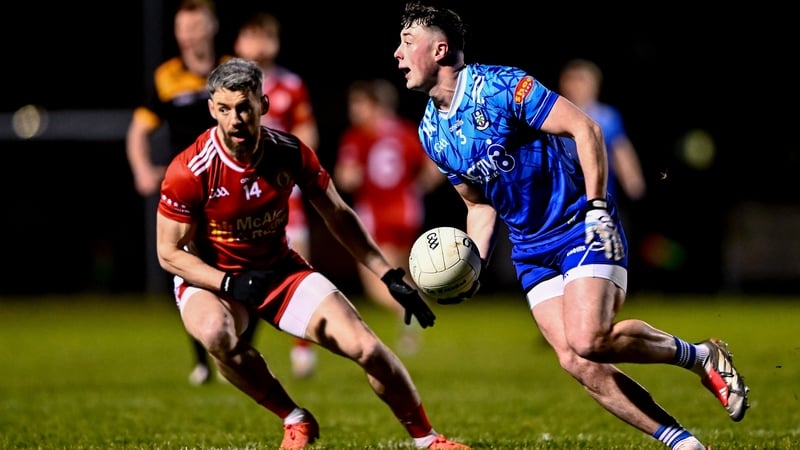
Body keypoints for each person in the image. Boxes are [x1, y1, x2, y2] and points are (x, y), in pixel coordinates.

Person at [393, 3, 749, 450]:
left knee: (590, 338)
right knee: (575, 360)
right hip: (529, 247)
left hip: (580, 222)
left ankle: (701, 356)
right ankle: (684, 444)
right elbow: (479, 206)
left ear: (440, 49)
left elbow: (586, 130)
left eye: (407, 43)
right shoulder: (431, 132)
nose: (397, 55)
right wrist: (475, 264)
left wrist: (598, 206)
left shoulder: (501, 86)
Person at [155, 57, 470, 450]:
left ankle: (428, 440)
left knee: (367, 347)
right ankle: (294, 417)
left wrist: (388, 276)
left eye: (244, 107)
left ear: (263, 105)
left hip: (278, 270)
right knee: (215, 333)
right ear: (211, 109)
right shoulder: (190, 169)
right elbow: (168, 252)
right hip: (214, 277)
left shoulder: (289, 153)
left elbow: (338, 214)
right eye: (224, 109)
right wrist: (228, 282)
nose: (235, 119)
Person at [126, 0, 235, 386]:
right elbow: (138, 131)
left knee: (244, 266)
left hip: (230, 187)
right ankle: (204, 359)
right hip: (187, 192)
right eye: (182, 29)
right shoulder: (166, 77)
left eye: (196, 26)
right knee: (187, 270)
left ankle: (236, 350)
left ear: (211, 27)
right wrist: (143, 170)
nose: (188, 35)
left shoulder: (232, 69)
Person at [234, 12, 321, 378]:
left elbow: (307, 132)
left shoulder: (290, 84)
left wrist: (295, 166)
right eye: (253, 35)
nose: (261, 43)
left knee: (299, 260)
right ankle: (233, 343)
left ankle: (301, 348)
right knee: (239, 264)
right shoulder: (229, 81)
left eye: (267, 36)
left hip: (282, 189)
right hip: (238, 189)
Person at [334, 78, 445, 355]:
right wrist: (415, 188)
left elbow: (346, 177)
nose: (353, 110)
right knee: (400, 273)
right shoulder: (407, 132)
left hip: (376, 213)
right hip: (407, 211)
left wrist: (355, 178)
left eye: (358, 103)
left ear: (374, 104)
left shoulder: (360, 136)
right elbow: (434, 169)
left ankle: (412, 306)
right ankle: (410, 316)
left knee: (376, 285)